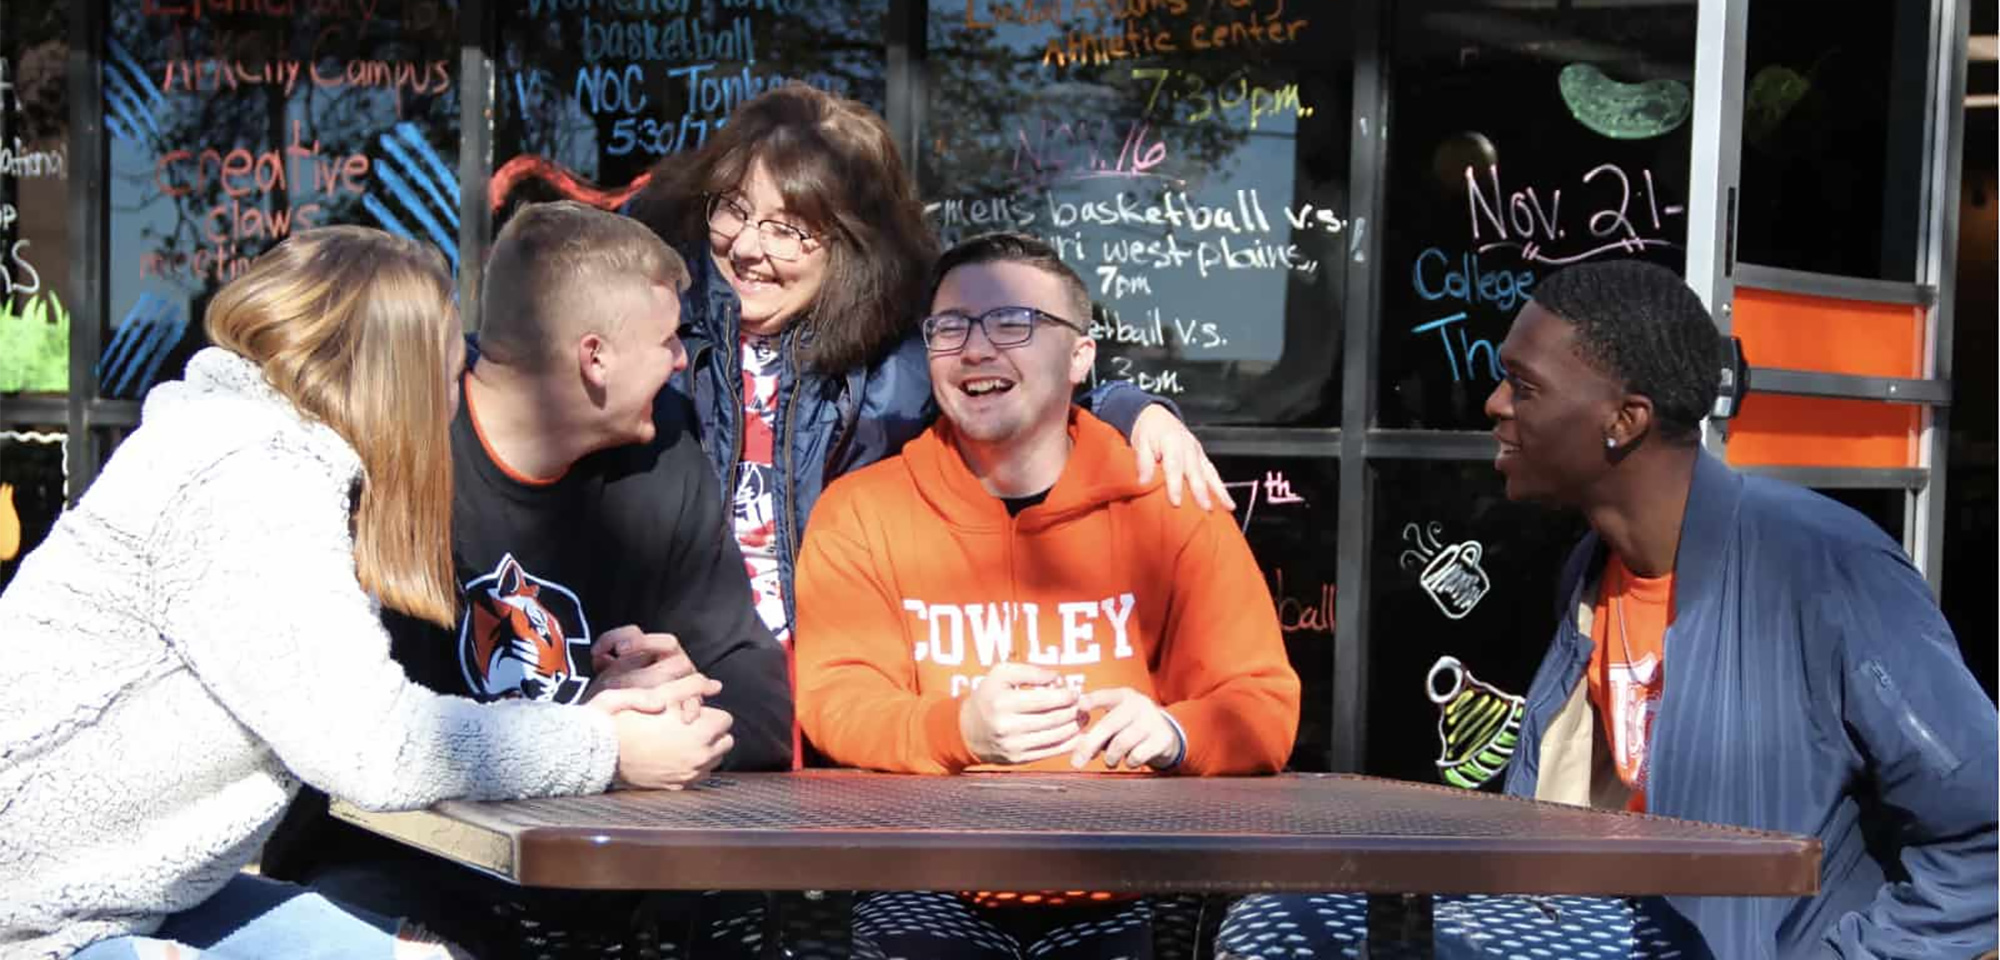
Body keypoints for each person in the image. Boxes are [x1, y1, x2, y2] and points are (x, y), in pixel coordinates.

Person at [0, 226, 720, 960]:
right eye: (448, 369)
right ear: (397, 378)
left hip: (121, 897)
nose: (457, 390)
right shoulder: (247, 479)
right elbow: (376, 747)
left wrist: (586, 719)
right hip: (35, 921)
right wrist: (605, 745)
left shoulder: (268, 459)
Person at [259, 202, 793, 958]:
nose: (682, 360)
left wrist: (682, 692)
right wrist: (596, 735)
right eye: (669, 338)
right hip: (400, 875)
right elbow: (364, 740)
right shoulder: (397, 444)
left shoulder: (661, 445)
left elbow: (762, 701)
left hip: (607, 889)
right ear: (594, 356)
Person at [792, 231, 1302, 958]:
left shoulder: (1170, 503)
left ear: (1081, 357)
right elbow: (837, 698)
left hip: (1137, 881)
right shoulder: (862, 510)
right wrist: (957, 731)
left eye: (1013, 324)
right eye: (951, 328)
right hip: (925, 879)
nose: (976, 350)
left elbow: (1260, 701)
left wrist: (1176, 734)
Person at [1484, 260, 1996, 958]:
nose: (1495, 404)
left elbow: (1984, 830)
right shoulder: (1591, 568)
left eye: (1524, 386)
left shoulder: (1824, 566)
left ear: (1624, 421)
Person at [625, 84, 1232, 672]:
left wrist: (1133, 410)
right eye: (733, 208)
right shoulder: (653, 331)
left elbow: (1021, 391)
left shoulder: (902, 359)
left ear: (850, 244)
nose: (748, 247)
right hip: (672, 677)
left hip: (845, 679)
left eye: (787, 229)